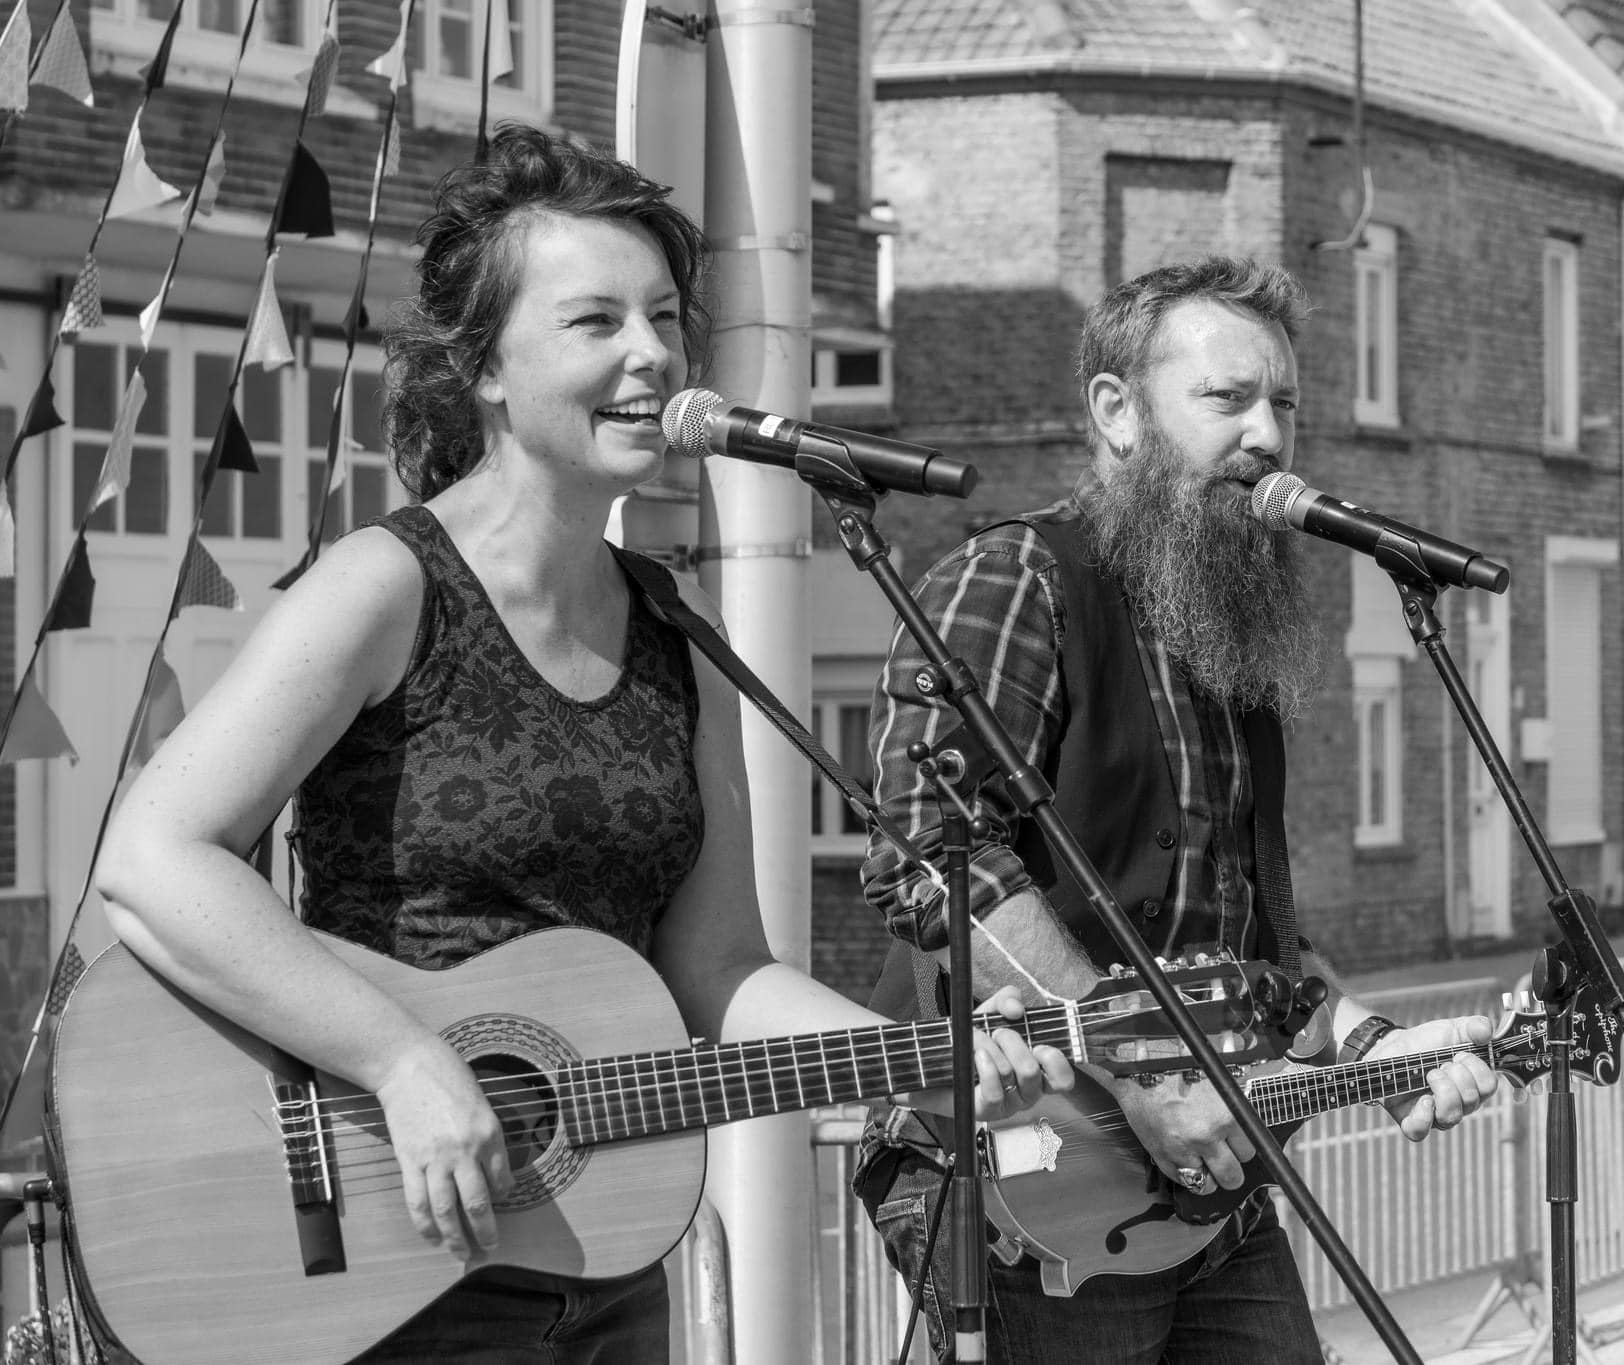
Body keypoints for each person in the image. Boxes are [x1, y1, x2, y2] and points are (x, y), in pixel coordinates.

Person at [94, 123, 1072, 1363]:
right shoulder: (386, 586)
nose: (653, 355)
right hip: (387, 1257)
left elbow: (717, 969)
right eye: (594, 321)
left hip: (599, 1262)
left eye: (663, 317)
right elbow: (153, 857)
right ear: (485, 370)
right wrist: (403, 1063)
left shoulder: (678, 627)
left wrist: (906, 1061)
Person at [853, 255, 1501, 1363]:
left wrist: (1379, 1050)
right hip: (1026, 1159)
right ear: (1117, 413)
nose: (1265, 436)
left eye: (1284, 405)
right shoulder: (1020, 577)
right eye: (1226, 400)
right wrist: (1143, 1072)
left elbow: (1249, 962)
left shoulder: (1220, 639)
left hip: (1204, 1175)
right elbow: (930, 854)